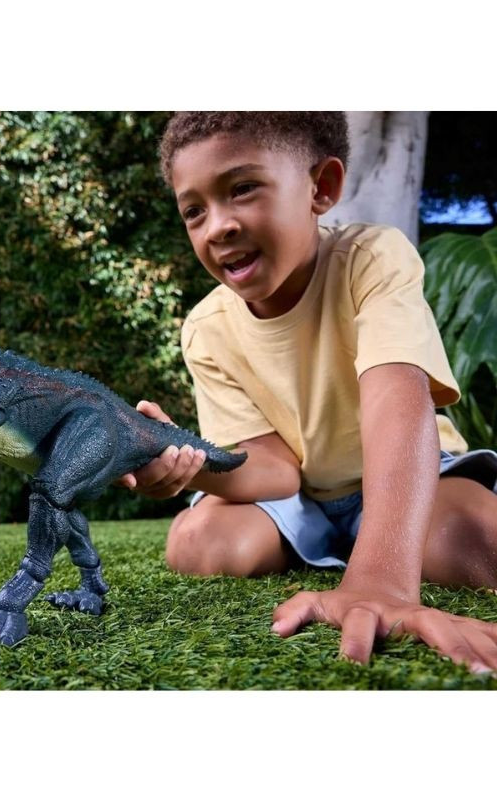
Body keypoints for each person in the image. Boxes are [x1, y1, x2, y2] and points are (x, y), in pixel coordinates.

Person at [117, 112, 497, 675]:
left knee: (470, 538)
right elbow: (273, 470)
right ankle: (340, 551)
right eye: (194, 211)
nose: (217, 226)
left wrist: (381, 582)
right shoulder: (205, 328)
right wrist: (189, 463)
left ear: (322, 187)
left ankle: (376, 555)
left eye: (242, 188)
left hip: (409, 478)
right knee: (198, 542)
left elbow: (397, 397)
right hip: (303, 502)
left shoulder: (372, 258)